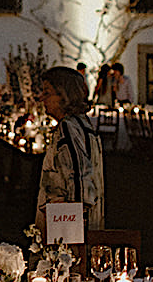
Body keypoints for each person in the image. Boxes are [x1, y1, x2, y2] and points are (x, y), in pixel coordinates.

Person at [35, 66, 105, 230]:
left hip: (68, 229)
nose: (41, 98)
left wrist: (69, 232)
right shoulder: (81, 124)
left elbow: (79, 181)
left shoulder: (69, 128)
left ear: (64, 95)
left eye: (47, 92)